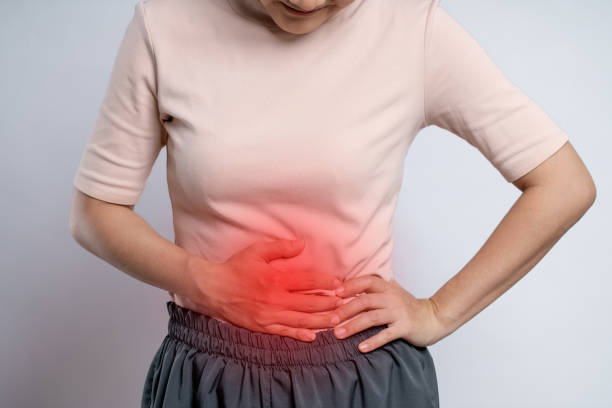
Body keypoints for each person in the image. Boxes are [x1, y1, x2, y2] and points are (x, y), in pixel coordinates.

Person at [69, 0, 596, 407]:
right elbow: (95, 212)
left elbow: (563, 184)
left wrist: (438, 312)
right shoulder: (165, 24)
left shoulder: (414, 29)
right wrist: (206, 281)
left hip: (362, 377)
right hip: (211, 378)